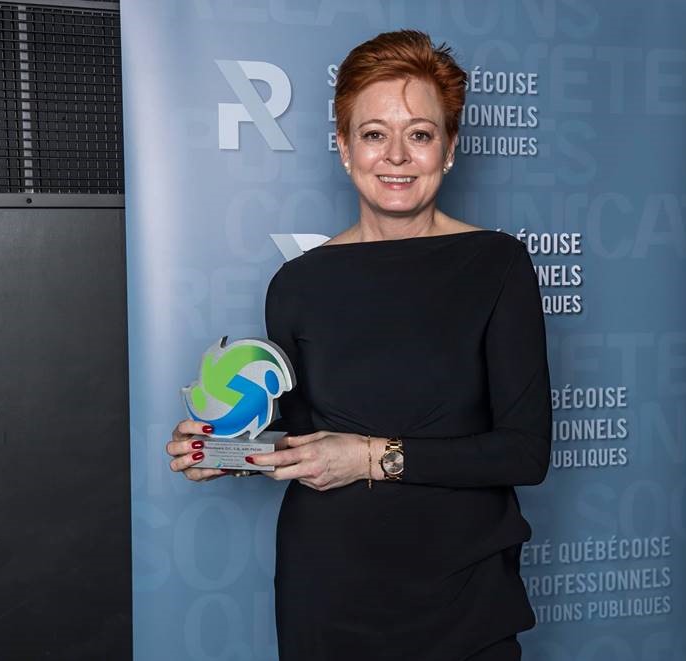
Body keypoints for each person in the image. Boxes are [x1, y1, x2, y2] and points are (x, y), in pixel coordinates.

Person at [166, 29, 551, 661]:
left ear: (449, 148)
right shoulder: (297, 283)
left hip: (463, 593)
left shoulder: (498, 265)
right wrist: (227, 450)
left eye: (420, 134)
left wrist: (370, 457)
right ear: (344, 147)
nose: (396, 155)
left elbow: (524, 453)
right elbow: (305, 439)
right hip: (327, 592)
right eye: (374, 134)